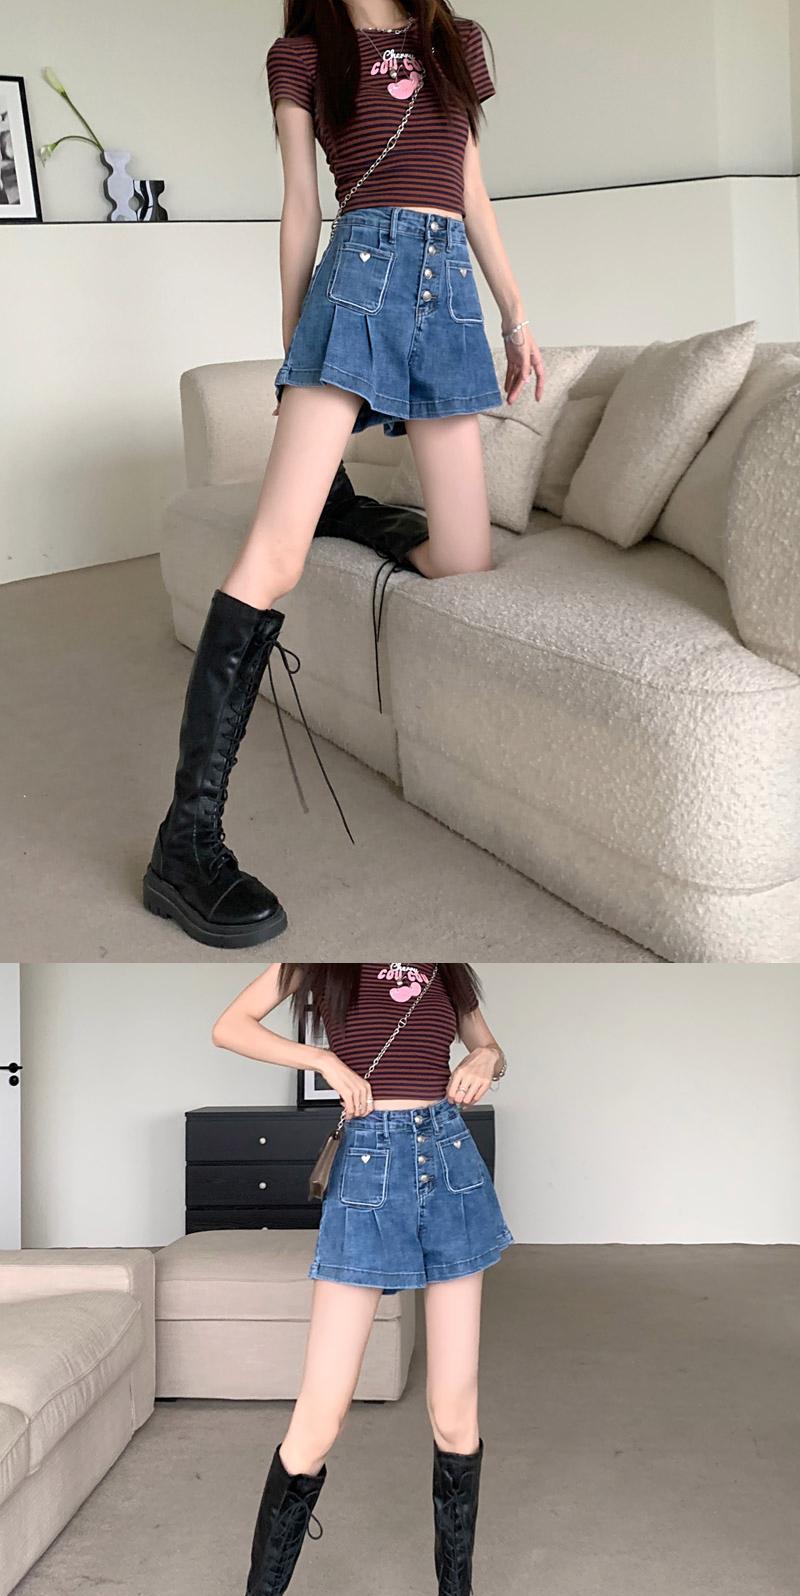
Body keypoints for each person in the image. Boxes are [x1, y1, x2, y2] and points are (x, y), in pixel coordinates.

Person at [142, 1, 543, 948]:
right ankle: (183, 844)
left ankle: (352, 516)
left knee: (464, 560)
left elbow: (470, 186)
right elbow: (300, 204)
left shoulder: (455, 40)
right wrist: (295, 350)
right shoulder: (302, 54)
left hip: (447, 289)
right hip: (358, 277)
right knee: (271, 558)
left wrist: (516, 314)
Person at [212, 961, 513, 1596]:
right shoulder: (321, 955)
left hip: (450, 1163)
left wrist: (486, 1058)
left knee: (456, 1415)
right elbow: (229, 1026)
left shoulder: (445, 958)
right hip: (370, 1165)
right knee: (319, 1418)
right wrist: (322, 1059)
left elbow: (486, 1045)